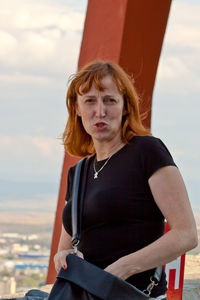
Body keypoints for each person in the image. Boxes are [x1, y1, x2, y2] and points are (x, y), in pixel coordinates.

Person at [54, 61, 198, 299]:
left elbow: (186, 235)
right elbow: (66, 249)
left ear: (125, 107)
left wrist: (120, 270)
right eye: (90, 101)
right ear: (77, 109)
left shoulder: (147, 151)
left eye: (110, 100)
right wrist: (64, 257)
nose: (100, 111)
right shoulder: (78, 172)